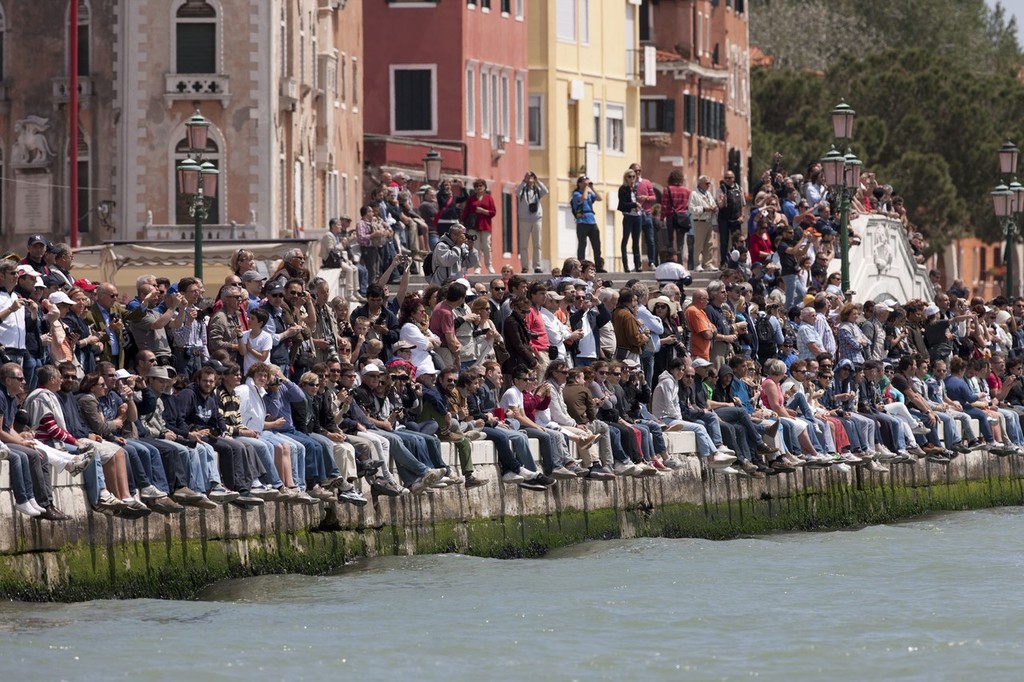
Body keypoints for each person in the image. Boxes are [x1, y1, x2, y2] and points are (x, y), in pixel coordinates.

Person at [462, 178, 497, 274]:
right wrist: (463, 224)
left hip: (485, 225)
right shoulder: (472, 199)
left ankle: (489, 266)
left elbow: (493, 212)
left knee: (486, 246)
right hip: (473, 226)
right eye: (477, 186)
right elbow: (466, 212)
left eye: (480, 186)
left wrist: (483, 211)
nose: (479, 188)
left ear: (485, 187)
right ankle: (477, 267)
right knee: (475, 247)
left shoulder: (489, 198)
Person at [516, 171, 548, 273]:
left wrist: (537, 180)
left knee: (537, 244)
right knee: (523, 245)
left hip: (536, 219)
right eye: (528, 177)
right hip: (524, 220)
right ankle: (525, 267)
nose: (530, 178)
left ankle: (537, 266)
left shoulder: (537, 190)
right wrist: (524, 181)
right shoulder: (522, 190)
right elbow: (517, 192)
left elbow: (545, 191)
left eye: (532, 177)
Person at [570, 175, 604, 271]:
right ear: (579, 183)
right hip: (582, 221)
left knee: (596, 245)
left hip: (591, 221)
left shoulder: (589, 193)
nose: (586, 184)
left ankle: (598, 266)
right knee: (582, 245)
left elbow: (599, 198)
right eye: (584, 182)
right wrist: (585, 188)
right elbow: (583, 198)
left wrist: (592, 187)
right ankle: (581, 266)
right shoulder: (576, 194)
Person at [688, 175, 717, 271]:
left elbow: (713, 204)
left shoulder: (708, 194)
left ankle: (707, 263)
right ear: (700, 184)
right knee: (699, 244)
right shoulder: (694, 194)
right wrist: (704, 209)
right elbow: (691, 209)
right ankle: (697, 264)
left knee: (709, 244)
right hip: (700, 221)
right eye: (707, 183)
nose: (709, 185)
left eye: (709, 183)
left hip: (709, 221)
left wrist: (714, 208)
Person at [617, 169, 642, 273]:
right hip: (628, 216)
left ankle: (638, 265)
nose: (632, 178)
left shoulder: (636, 189)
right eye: (629, 176)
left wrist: (639, 205)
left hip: (637, 216)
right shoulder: (623, 189)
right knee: (625, 240)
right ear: (625, 178)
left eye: (633, 176)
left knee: (636, 241)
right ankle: (626, 265)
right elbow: (622, 204)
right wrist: (634, 205)